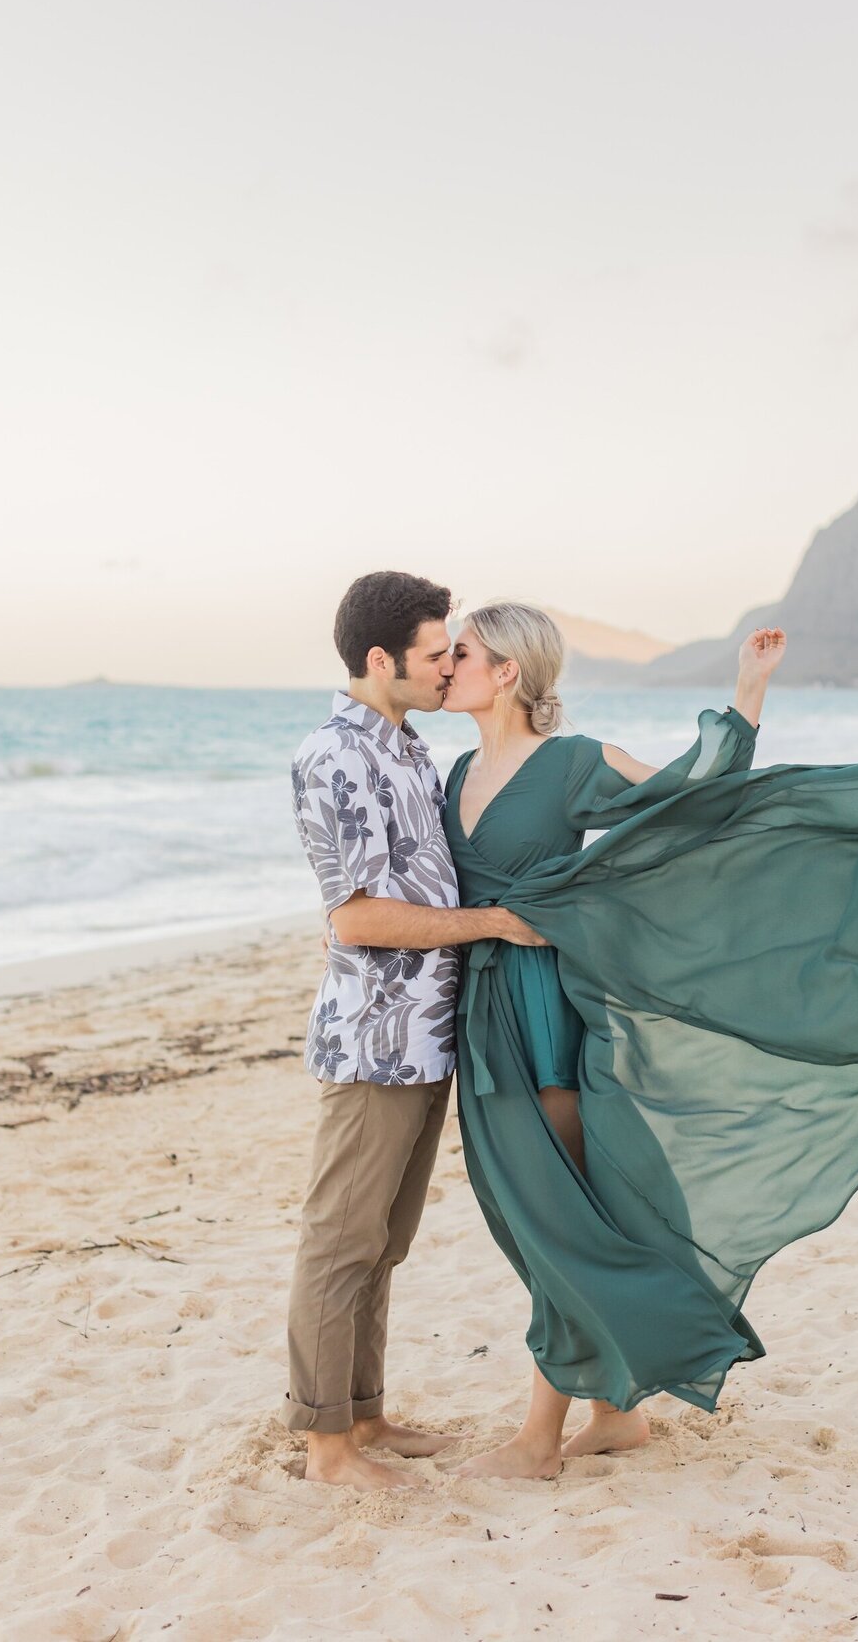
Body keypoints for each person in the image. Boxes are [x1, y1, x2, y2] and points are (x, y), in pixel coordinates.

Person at [438, 602, 858, 1480]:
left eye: (459, 651)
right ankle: (616, 1415)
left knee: (559, 1217)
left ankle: (539, 1440)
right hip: (480, 1011)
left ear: (506, 671)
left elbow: (692, 799)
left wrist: (746, 695)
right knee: (529, 1213)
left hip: (546, 1011)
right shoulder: (458, 768)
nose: (444, 662)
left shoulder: (572, 763)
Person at [281, 571, 545, 1494]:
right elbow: (355, 918)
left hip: (427, 1036)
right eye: (436, 654)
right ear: (381, 659)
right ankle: (326, 1449)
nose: (448, 668)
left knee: (384, 1242)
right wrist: (492, 924)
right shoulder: (334, 756)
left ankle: (365, 1414)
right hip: (372, 1042)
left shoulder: (408, 747)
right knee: (340, 1239)